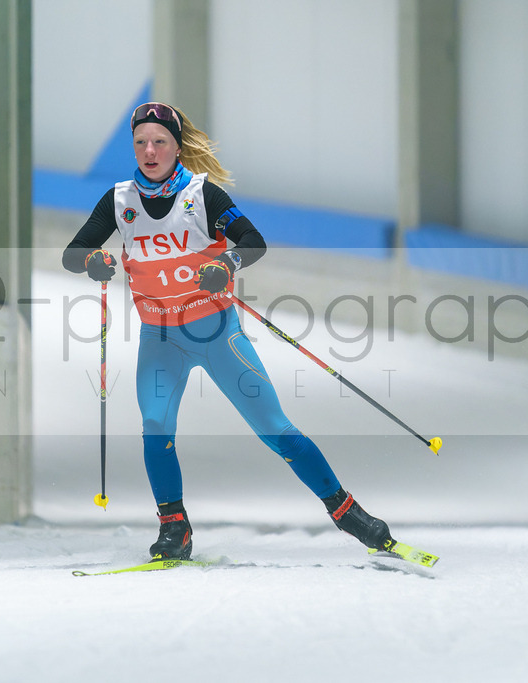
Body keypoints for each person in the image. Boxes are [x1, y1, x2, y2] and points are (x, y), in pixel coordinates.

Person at [63, 102, 398, 561]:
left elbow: (253, 241)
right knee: (155, 425)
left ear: (177, 147)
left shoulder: (203, 195)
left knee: (274, 428)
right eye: (141, 142)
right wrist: (92, 260)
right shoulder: (120, 201)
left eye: (159, 141)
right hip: (160, 338)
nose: (149, 151)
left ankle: (347, 512)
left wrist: (227, 262)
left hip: (216, 333)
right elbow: (73, 253)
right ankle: (174, 527)